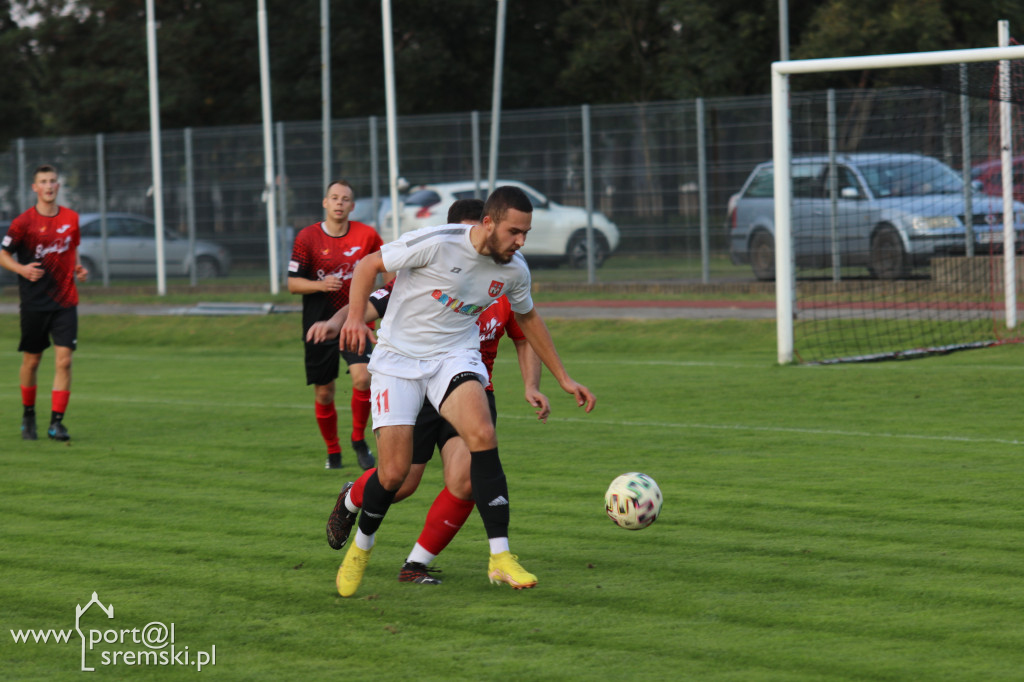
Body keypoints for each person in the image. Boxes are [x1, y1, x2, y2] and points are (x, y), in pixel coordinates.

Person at [334, 185, 596, 597]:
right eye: (514, 231)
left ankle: (500, 556)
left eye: (525, 232)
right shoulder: (437, 244)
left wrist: (562, 378)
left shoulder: (515, 269)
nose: (521, 241)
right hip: (398, 361)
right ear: (488, 223)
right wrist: (351, 319)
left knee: (483, 435)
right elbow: (368, 266)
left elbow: (528, 322)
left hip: (454, 356)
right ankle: (362, 547)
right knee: (394, 474)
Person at [288, 180, 383, 471]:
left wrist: (386, 301)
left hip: (356, 321)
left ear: (352, 206)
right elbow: (292, 284)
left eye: (345, 199)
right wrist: (320, 285)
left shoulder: (367, 236)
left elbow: (387, 266)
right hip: (318, 324)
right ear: (325, 203)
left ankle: (358, 440)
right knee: (325, 392)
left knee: (363, 378)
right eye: (334, 197)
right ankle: (333, 451)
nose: (340, 203)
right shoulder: (307, 237)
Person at [0, 164, 88, 441]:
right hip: (35, 302)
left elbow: (72, 248)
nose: (49, 186)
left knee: (64, 362)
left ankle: (56, 424)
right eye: (43, 182)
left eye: (53, 181)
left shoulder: (71, 218)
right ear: (34, 188)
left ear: (58, 186)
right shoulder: (23, 223)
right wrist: (22, 269)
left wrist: (78, 268)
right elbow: (3, 255)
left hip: (65, 300)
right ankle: (28, 415)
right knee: (32, 360)